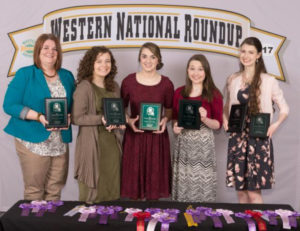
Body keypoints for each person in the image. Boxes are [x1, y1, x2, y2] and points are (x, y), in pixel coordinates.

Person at [3, 33, 75, 201]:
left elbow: (72, 105)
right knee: (35, 191)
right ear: (38, 51)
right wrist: (39, 116)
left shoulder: (67, 76)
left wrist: (71, 117)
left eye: (54, 49)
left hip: (59, 142)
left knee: (55, 190)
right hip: (32, 140)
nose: (50, 51)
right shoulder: (25, 74)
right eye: (46, 48)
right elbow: (9, 105)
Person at [223, 37, 289, 203]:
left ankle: (258, 227)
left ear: (258, 55)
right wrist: (225, 121)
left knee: (254, 193)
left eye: (251, 52)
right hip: (237, 139)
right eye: (243, 51)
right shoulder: (233, 80)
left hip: (258, 139)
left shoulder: (269, 81)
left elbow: (285, 109)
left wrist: (275, 125)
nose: (246, 56)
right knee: (241, 193)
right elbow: (226, 106)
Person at [121, 42, 174, 200]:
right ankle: (135, 223)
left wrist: (165, 119)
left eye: (152, 57)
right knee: (134, 191)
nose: (148, 61)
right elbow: (121, 110)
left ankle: (153, 223)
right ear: (139, 58)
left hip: (157, 140)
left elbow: (169, 111)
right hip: (134, 139)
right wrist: (128, 121)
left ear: (158, 60)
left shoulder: (166, 84)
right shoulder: (128, 82)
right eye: (144, 56)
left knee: (154, 191)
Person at [72, 46, 124, 203]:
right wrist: (101, 119)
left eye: (107, 61)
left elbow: (118, 111)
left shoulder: (114, 86)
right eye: (99, 61)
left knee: (111, 189)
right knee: (93, 193)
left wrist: (124, 120)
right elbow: (77, 118)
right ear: (91, 64)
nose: (104, 65)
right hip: (92, 145)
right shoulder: (84, 87)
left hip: (112, 146)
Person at [172, 54, 223, 202]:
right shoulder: (179, 92)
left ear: (206, 71)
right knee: (184, 185)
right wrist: (175, 128)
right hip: (184, 146)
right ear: (187, 71)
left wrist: (205, 118)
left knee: (203, 187)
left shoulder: (214, 94)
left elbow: (218, 124)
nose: (196, 73)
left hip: (204, 148)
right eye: (192, 68)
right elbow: (175, 119)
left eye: (200, 69)